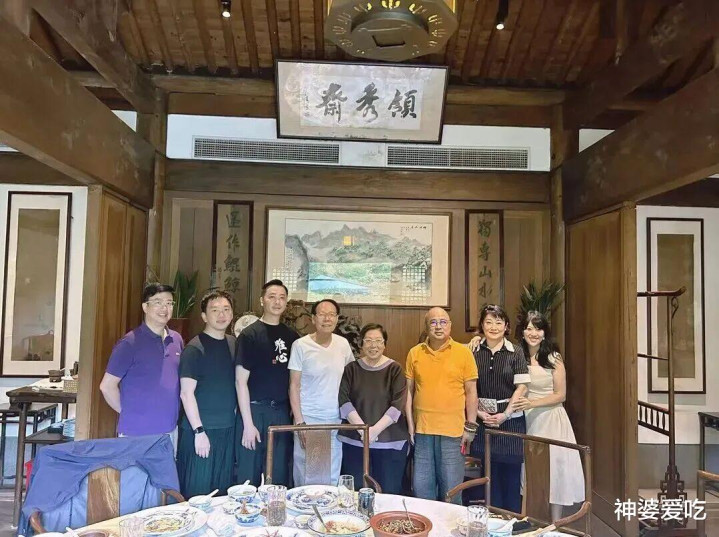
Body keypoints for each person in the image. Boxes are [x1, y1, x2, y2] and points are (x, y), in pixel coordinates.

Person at [512, 311, 585, 521]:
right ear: (522, 332)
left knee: (556, 469)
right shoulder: (518, 355)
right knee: (530, 469)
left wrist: (532, 403)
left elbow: (561, 395)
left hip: (551, 418)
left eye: (538, 328)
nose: (533, 333)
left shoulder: (553, 357)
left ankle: (556, 523)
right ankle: (531, 519)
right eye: (529, 328)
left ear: (545, 333)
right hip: (527, 420)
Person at [405, 307, 478, 504]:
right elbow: (409, 391)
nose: (438, 326)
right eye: (433, 322)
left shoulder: (464, 353)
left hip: (453, 433)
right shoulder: (414, 353)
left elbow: (471, 392)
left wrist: (470, 427)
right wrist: (410, 425)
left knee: (451, 491)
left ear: (450, 326)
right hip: (423, 431)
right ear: (426, 327)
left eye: (443, 322)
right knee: (421, 488)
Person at [235, 279, 299, 486]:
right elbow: (240, 382)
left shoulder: (292, 337)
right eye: (272, 297)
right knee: (248, 473)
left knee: (279, 473)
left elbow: (295, 381)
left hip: (281, 412)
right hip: (254, 412)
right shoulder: (249, 335)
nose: (277, 302)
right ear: (262, 300)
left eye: (282, 298)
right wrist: (248, 424)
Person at [100, 283, 183, 439]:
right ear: (145, 307)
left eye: (169, 303)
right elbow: (107, 386)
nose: (164, 308)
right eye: (158, 302)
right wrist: (130, 413)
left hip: (170, 430)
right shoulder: (129, 343)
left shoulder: (176, 339)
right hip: (136, 433)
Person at [469, 304, 530, 513]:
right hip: (483, 420)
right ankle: (493, 522)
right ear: (481, 325)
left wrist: (505, 414)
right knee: (489, 474)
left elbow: (522, 386)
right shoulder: (473, 350)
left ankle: (511, 521)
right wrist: (478, 413)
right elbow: (467, 386)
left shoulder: (516, 351)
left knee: (511, 474)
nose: (493, 327)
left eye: (498, 322)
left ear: (506, 326)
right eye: (488, 322)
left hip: (511, 421)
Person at [177, 290, 237, 498]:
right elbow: (186, 394)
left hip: (227, 429)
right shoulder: (194, 349)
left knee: (222, 493)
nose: (222, 315)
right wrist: (199, 432)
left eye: (226, 309)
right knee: (198, 494)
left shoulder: (233, 344)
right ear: (204, 316)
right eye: (215, 310)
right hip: (201, 432)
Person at [289, 299, 354, 486]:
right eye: (322, 314)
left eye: (332, 314)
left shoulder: (342, 344)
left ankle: (329, 506)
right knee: (310, 475)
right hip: (310, 418)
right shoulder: (301, 345)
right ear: (313, 318)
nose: (327, 319)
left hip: (335, 418)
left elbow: (351, 378)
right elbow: (294, 385)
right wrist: (300, 422)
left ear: (337, 319)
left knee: (331, 474)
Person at [338, 323, 410, 494]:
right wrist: (363, 431)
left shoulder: (395, 369)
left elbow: (397, 405)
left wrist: (374, 431)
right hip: (355, 441)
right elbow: (344, 401)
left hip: (390, 443)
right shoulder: (351, 369)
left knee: (388, 493)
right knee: (355, 493)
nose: (373, 345)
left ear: (384, 344)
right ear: (361, 344)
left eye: (378, 341)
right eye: (368, 341)